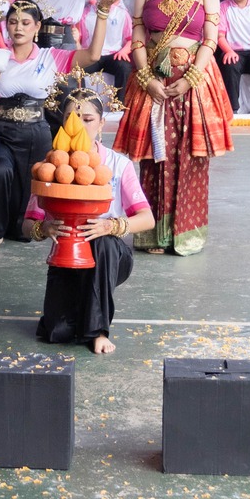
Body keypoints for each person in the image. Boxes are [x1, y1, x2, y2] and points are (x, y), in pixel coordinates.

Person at [113, 0, 233, 254]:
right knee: (154, 155)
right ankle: (153, 233)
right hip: (153, 80)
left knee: (190, 155)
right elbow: (138, 33)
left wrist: (192, 77)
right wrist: (145, 76)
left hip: (194, 80)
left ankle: (186, 233)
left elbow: (211, 35)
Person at [0, 0, 114, 252]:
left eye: (26, 22)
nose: (18, 28)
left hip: (37, 132)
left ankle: (19, 227)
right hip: (1, 133)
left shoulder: (51, 57)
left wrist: (102, 12)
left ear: (37, 27)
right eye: (13, 22)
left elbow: (93, 54)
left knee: (31, 188)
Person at [28, 80, 153, 354]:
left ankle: (98, 330)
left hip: (110, 257)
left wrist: (111, 225)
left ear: (101, 123)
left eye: (88, 119)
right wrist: (43, 227)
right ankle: (77, 311)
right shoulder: (52, 165)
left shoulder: (118, 164)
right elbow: (28, 223)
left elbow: (147, 218)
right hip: (66, 255)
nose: (80, 125)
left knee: (102, 242)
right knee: (57, 333)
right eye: (72, 118)